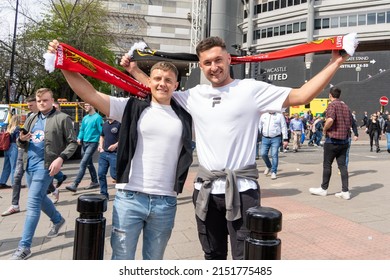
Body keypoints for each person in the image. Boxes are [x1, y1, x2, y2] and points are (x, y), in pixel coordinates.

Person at [51, 35, 349, 259]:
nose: (213, 66)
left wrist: (337, 60)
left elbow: (301, 95)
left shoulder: (251, 90)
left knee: (247, 258)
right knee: (212, 258)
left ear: (229, 59)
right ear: (201, 65)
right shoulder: (192, 96)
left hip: (241, 189)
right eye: (206, 62)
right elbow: (157, 86)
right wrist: (129, 69)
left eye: (218, 60)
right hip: (205, 191)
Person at [48, 41, 193, 260]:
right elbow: (91, 95)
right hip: (130, 198)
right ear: (149, 82)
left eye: (168, 80)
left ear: (176, 84)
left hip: (165, 201)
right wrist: (64, 63)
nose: (162, 84)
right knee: (121, 261)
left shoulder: (185, 114)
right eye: (157, 79)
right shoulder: (131, 107)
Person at [10, 88, 77, 260]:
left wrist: (61, 158)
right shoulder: (32, 118)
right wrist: (21, 139)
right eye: (39, 101)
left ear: (52, 100)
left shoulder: (62, 118)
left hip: (45, 166)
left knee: (32, 204)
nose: (42, 103)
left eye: (45, 100)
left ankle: (24, 247)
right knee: (39, 200)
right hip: (29, 165)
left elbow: (73, 143)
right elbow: (22, 140)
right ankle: (58, 220)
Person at [309, 87, 353, 200]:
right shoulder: (346, 106)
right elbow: (351, 122)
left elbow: (330, 120)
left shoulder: (332, 105)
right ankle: (345, 191)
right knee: (342, 166)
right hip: (344, 140)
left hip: (332, 140)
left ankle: (323, 189)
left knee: (327, 164)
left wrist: (324, 130)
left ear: (330, 95)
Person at [1, 96, 39, 216]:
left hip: (37, 152)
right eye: (27, 105)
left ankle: (53, 191)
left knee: (37, 179)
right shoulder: (29, 117)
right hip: (24, 150)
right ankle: (15, 205)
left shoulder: (45, 117)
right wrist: (21, 139)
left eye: (31, 105)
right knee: (17, 176)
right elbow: (23, 135)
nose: (28, 107)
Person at [65, 103, 102, 192]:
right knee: (89, 163)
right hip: (84, 143)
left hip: (93, 143)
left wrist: (101, 144)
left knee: (83, 163)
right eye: (84, 105)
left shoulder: (98, 118)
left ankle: (75, 184)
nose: (85, 107)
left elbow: (102, 132)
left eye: (87, 105)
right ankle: (95, 181)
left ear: (92, 105)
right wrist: (79, 138)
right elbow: (82, 130)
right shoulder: (85, 118)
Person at [258, 112, 288, 179]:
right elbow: (259, 125)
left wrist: (285, 139)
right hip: (265, 138)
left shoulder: (279, 116)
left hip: (276, 138)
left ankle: (274, 172)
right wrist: (258, 136)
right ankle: (269, 166)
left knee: (274, 154)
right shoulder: (263, 115)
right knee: (263, 154)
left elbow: (283, 126)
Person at [98, 118, 120, 199]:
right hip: (104, 153)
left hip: (114, 154)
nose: (107, 114)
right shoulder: (105, 124)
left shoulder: (118, 124)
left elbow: (123, 137)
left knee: (114, 175)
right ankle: (104, 194)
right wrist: (100, 146)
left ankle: (123, 191)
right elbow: (102, 136)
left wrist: (115, 145)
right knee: (101, 174)